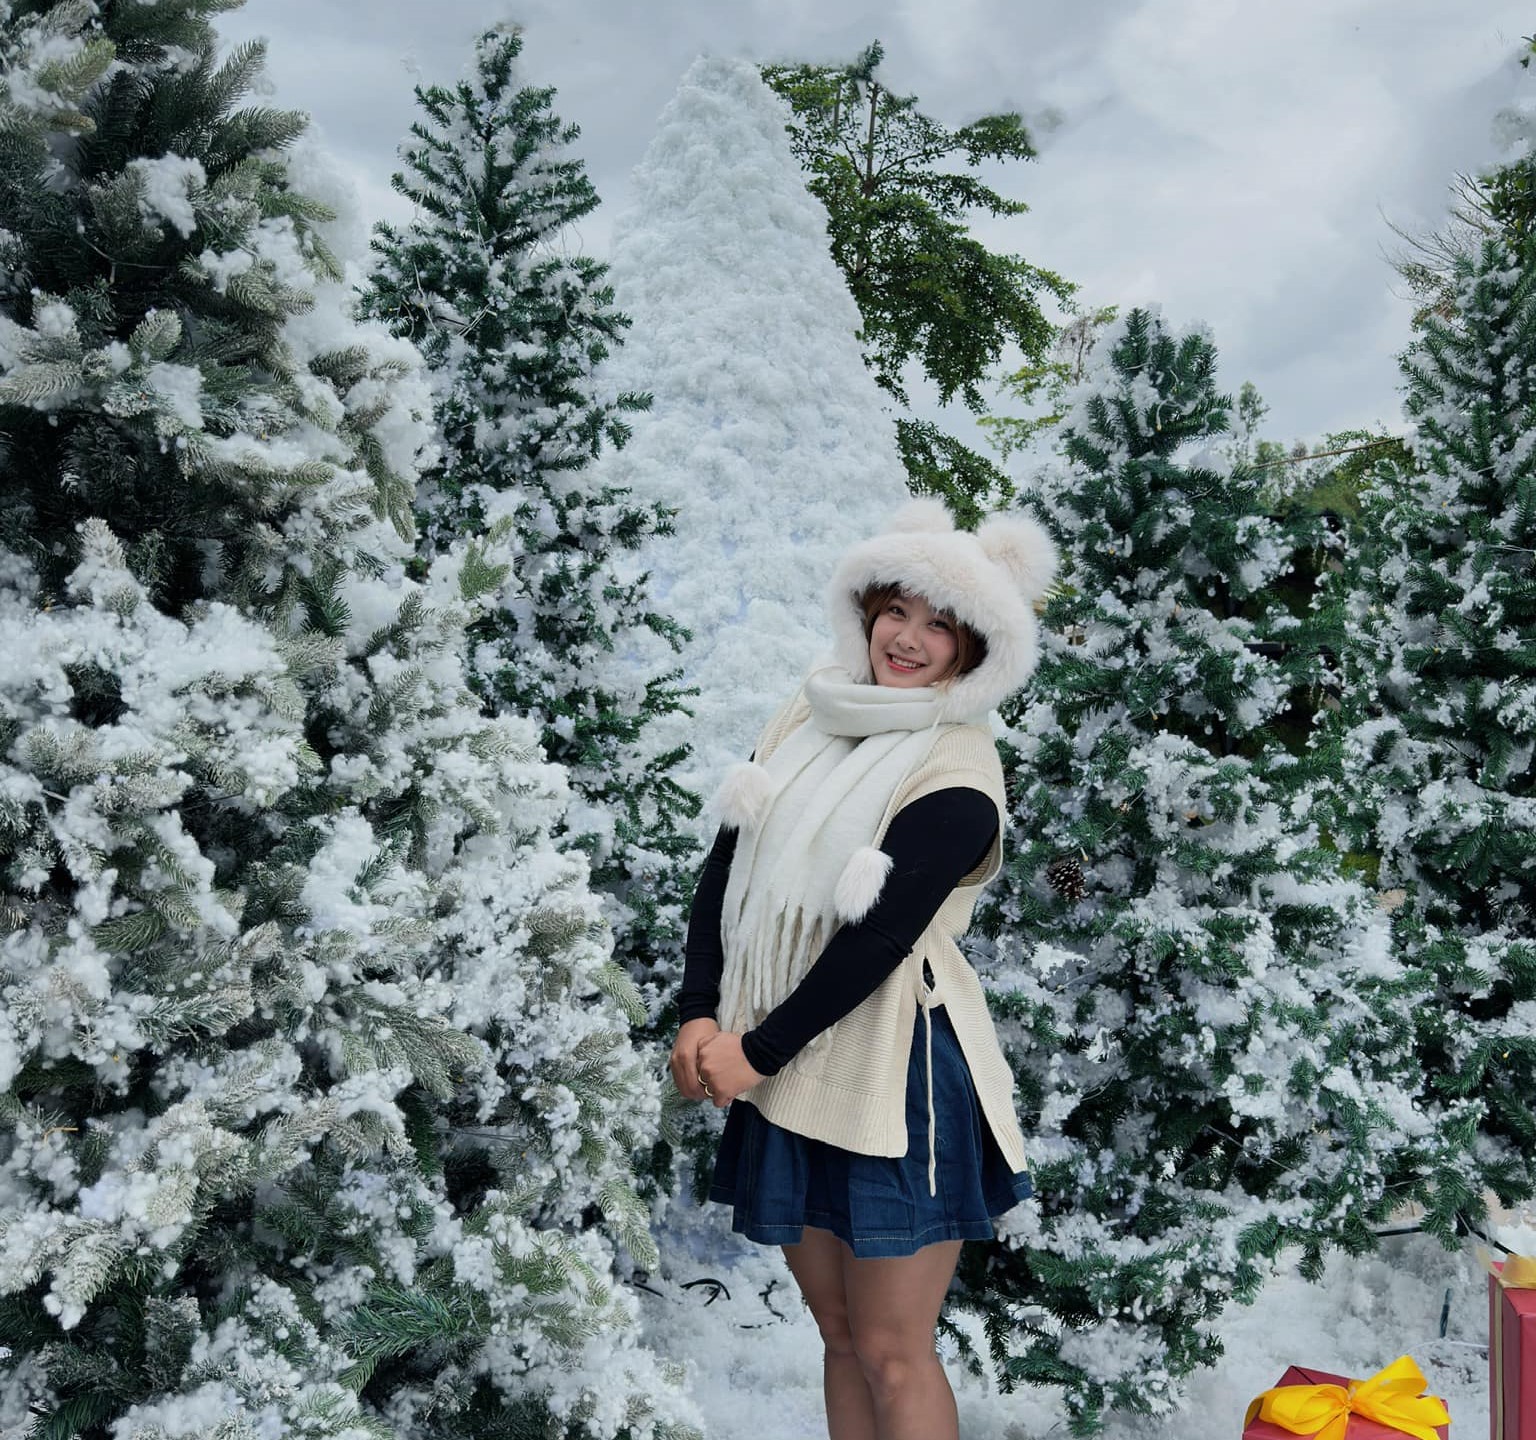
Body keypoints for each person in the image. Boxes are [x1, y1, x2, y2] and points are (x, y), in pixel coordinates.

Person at [668, 496, 1058, 1440]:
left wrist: (756, 1050)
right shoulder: (812, 708)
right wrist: (697, 1012)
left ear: (974, 652)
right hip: (784, 1059)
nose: (910, 639)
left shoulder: (957, 772)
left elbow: (876, 943)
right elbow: (730, 865)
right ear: (868, 609)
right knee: (838, 1332)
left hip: (894, 1072)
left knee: (892, 1348)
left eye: (941, 626)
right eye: (898, 611)